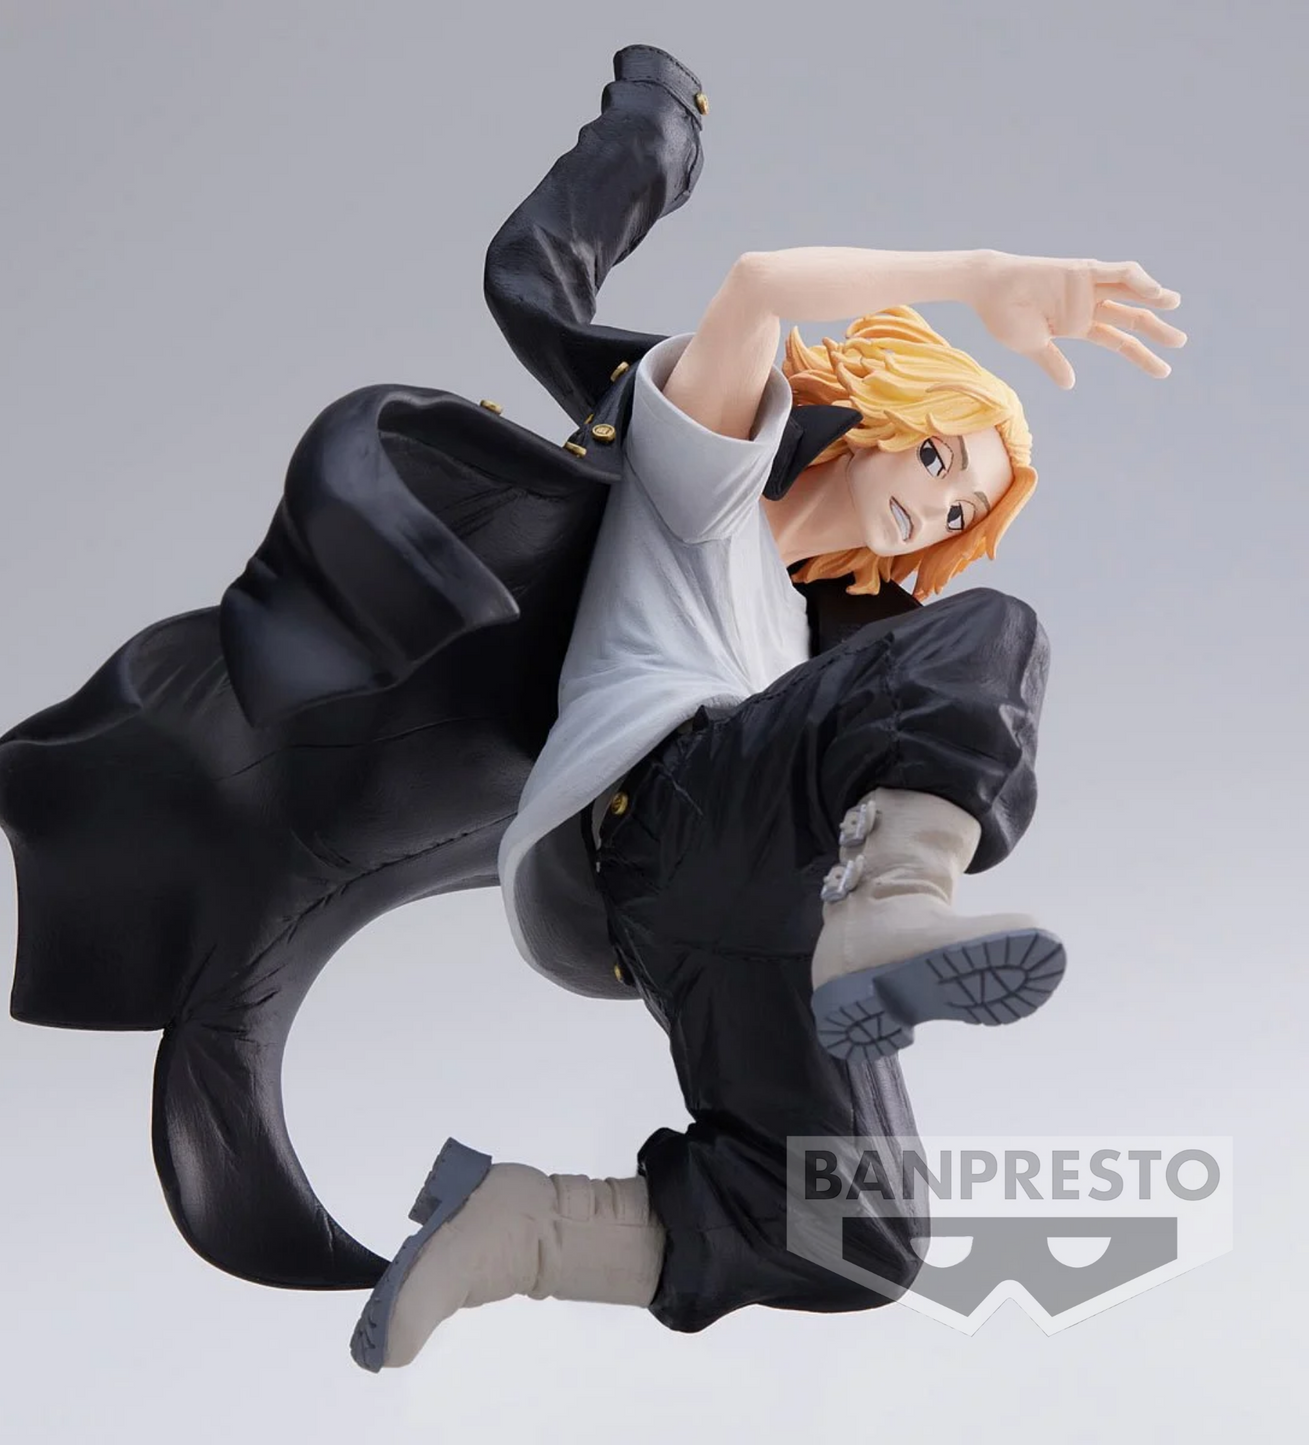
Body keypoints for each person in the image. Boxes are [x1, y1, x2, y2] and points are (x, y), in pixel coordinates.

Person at [351, 163, 1185, 1374]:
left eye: (964, 510)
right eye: (939, 457)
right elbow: (756, 288)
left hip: (718, 912)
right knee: (992, 633)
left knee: (860, 1230)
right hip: (664, 811)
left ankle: (518, 1228)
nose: (937, 508)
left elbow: (832, 707)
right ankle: (893, 901)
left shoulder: (805, 644)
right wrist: (979, 278)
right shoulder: (707, 486)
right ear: (884, 410)